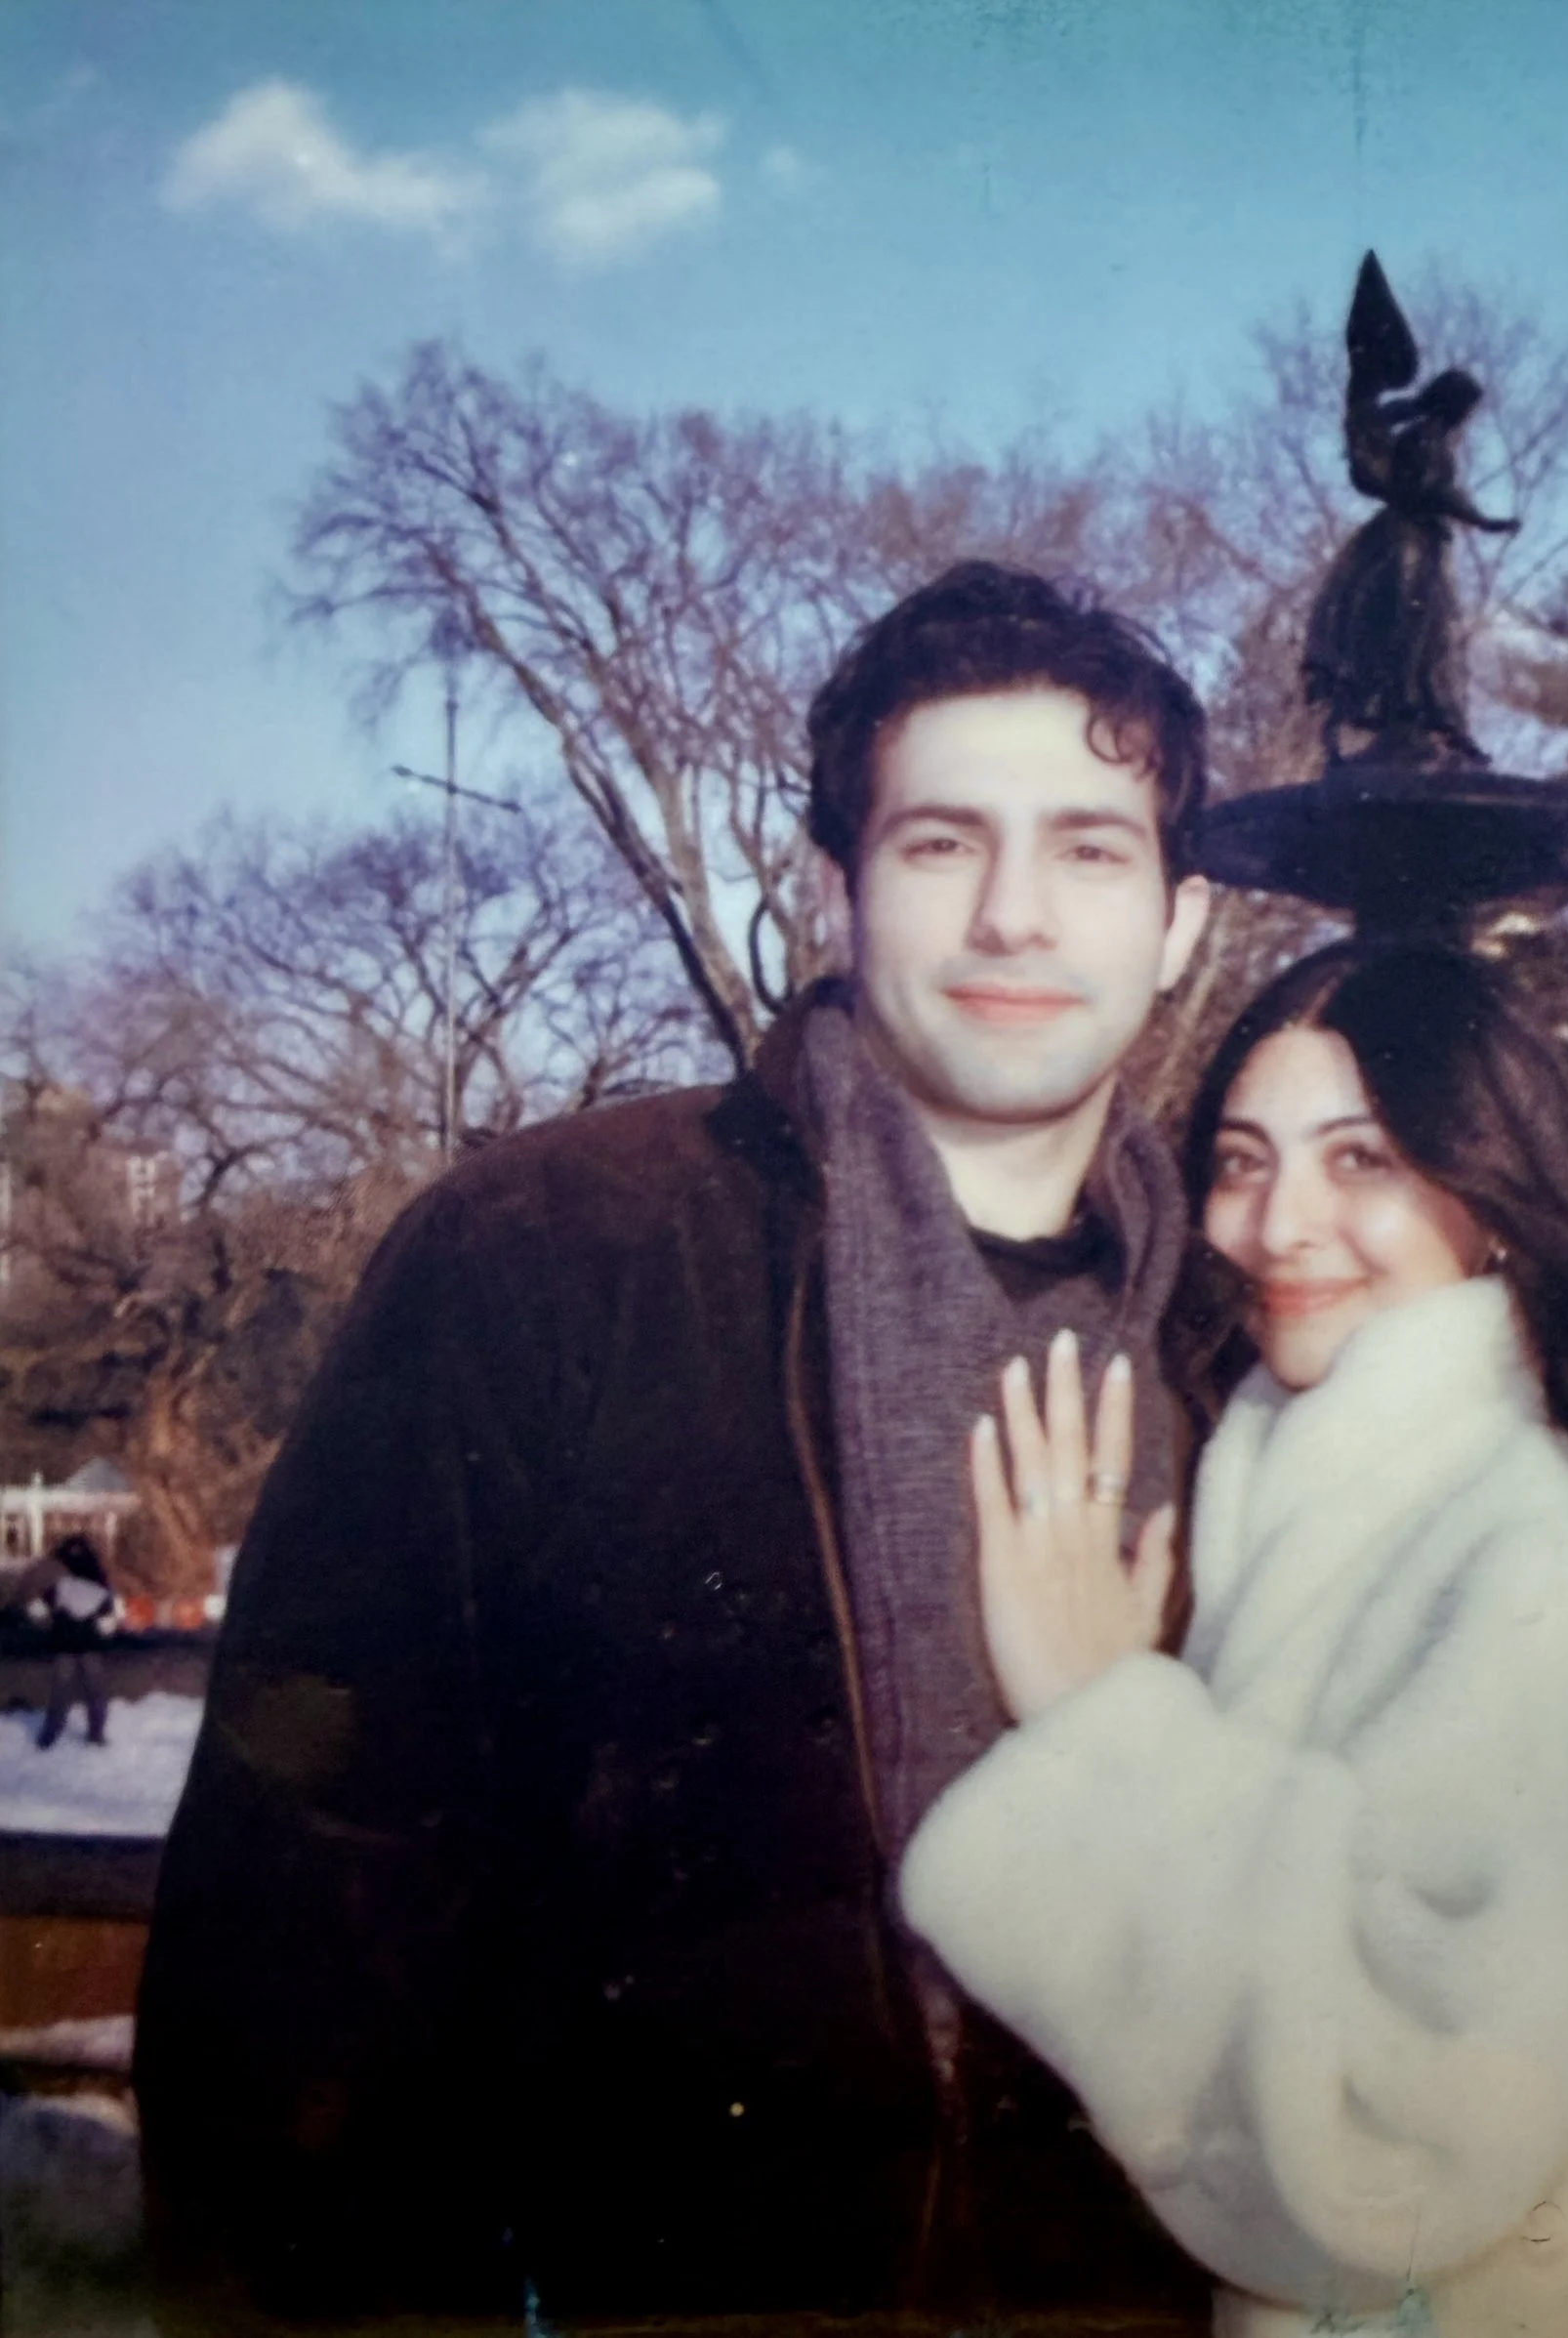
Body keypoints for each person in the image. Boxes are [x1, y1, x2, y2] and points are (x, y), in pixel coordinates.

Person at [134, 564, 1216, 2324]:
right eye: (943, 842)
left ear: (1176, 920)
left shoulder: (1246, 1334)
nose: (1017, 913)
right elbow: (304, 1915)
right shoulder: (553, 1254)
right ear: (836, 891)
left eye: (1091, 848)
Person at [901, 939, 1568, 2338]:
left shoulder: (1557, 1562)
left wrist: (1105, 1740)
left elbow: (1394, 2160)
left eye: (1362, 1160)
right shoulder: (1339, 1490)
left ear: (1493, 1195)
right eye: (1242, 1161)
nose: (1277, 1223)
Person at [21, 1531, 116, 1748]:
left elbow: (36, 1611)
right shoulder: (101, 1587)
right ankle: (96, 1735)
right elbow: (107, 1626)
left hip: (63, 1645)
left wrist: (52, 1623)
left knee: (60, 1693)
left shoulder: (59, 1586)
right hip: (91, 1647)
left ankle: (49, 1737)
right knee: (96, 1693)